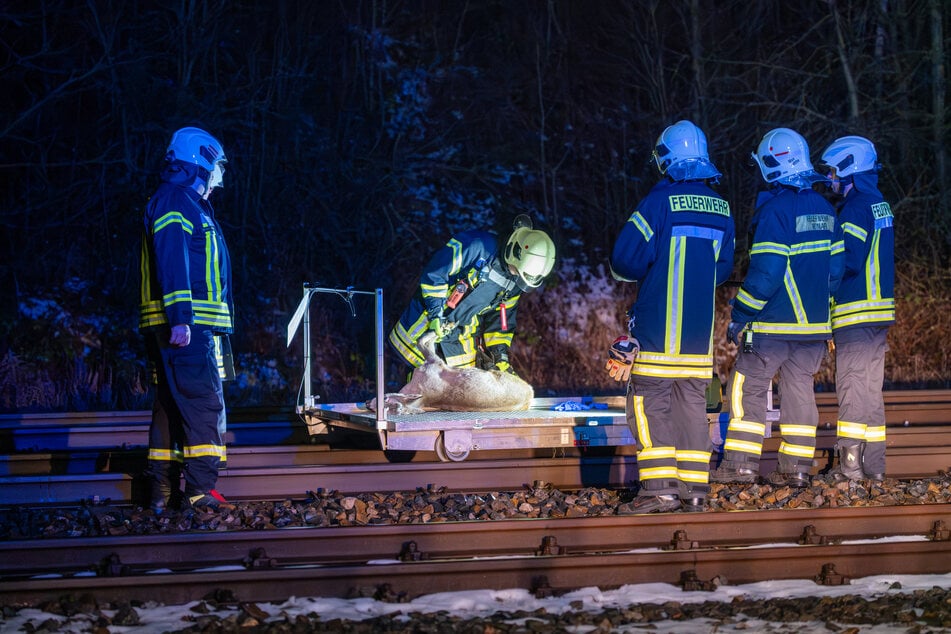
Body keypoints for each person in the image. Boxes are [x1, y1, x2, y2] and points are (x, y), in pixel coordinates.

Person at [607, 120, 736, 513]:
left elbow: (624, 260)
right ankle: (695, 490)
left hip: (658, 338)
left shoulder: (658, 202)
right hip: (699, 345)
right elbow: (724, 269)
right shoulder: (722, 209)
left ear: (666, 160)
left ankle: (659, 491)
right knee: (693, 413)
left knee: (646, 408)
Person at [711, 128, 844, 488]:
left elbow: (767, 275)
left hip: (772, 327)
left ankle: (739, 465)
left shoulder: (774, 211)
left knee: (747, 388)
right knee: (800, 393)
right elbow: (835, 275)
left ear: (772, 164)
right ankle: (797, 468)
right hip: (813, 331)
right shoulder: (825, 210)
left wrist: (739, 314)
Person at [139, 126, 235, 512]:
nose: (220, 178)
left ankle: (161, 492)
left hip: (188, 325)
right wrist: (181, 318)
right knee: (201, 402)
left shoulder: (181, 202)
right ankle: (199, 492)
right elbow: (173, 260)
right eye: (217, 168)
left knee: (170, 405)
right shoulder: (176, 202)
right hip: (185, 326)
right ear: (201, 161)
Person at [388, 215, 555, 374]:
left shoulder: (516, 282)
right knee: (419, 379)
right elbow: (436, 273)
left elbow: (501, 321)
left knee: (459, 389)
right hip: (424, 323)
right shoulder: (478, 247)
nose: (516, 275)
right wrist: (435, 315)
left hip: (460, 336)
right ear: (515, 252)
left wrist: (499, 356)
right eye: (517, 270)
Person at [820, 136, 895, 481]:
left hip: (855, 312)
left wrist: (820, 276)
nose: (831, 178)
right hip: (878, 314)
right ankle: (874, 468)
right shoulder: (879, 203)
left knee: (851, 386)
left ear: (850, 170)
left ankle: (850, 469)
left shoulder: (854, 208)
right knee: (870, 392)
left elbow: (847, 261)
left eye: (834, 171)